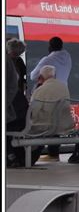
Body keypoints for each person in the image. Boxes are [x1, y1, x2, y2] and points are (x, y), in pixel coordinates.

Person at [27, 37, 73, 160]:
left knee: (42, 118)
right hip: (63, 93)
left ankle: (40, 152)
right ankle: (54, 153)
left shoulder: (48, 59)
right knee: (56, 120)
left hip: (48, 94)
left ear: (50, 46)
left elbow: (33, 76)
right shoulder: (67, 57)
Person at [21, 65, 74, 165]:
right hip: (64, 125)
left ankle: (28, 156)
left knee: (28, 126)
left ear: (40, 77)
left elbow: (33, 112)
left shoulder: (40, 90)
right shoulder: (64, 87)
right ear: (54, 76)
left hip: (45, 126)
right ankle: (53, 154)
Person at [6, 40, 29, 168]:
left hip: (13, 105)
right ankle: (12, 156)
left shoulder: (8, 62)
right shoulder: (19, 62)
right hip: (18, 104)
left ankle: (11, 156)